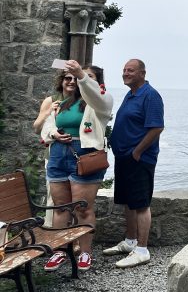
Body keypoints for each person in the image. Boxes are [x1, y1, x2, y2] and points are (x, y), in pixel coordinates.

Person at [39, 60, 114, 273]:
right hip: (58, 155)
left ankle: (85, 252)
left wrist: (81, 75)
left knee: (82, 207)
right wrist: (53, 133)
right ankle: (60, 250)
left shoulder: (101, 101)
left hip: (84, 155)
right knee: (60, 207)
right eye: (80, 76)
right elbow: (48, 127)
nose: (81, 80)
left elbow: (95, 96)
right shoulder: (64, 102)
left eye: (90, 78)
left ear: (98, 83)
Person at [103, 59, 165, 269]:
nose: (125, 73)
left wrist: (137, 152)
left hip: (139, 159)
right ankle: (130, 242)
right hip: (124, 158)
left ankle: (142, 249)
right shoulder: (131, 95)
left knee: (140, 204)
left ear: (142, 73)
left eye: (130, 70)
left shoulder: (150, 95)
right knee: (128, 201)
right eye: (124, 70)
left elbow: (156, 128)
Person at [33, 73, 65, 227]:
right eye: (67, 78)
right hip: (53, 153)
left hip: (75, 153)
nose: (71, 82)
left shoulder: (81, 100)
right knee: (53, 193)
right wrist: (48, 112)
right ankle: (51, 228)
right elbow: (36, 127)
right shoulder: (51, 99)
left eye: (75, 79)